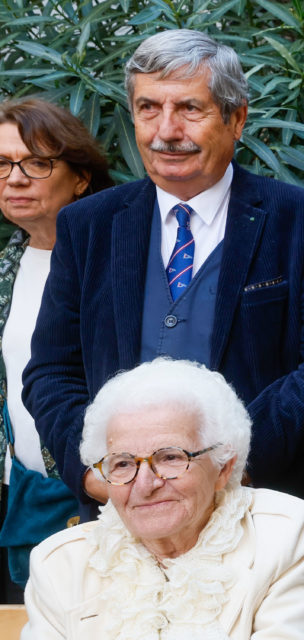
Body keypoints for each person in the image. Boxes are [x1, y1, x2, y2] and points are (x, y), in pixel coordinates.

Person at [21, 29, 304, 596]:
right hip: (122, 529)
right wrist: (96, 476)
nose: (166, 131)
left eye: (189, 109)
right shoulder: (88, 226)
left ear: (236, 118)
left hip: (264, 521)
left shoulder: (301, 221)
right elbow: (51, 371)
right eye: (148, 108)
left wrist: (232, 468)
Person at [22, 359, 304, 639]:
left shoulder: (283, 537)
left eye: (170, 457)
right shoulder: (58, 565)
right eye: (123, 463)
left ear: (224, 468)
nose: (145, 484)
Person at [0, 97, 112, 601]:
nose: (15, 178)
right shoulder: (5, 268)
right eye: (2, 165)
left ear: (81, 176)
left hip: (109, 499)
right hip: (20, 502)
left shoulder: (115, 263)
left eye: (37, 162)